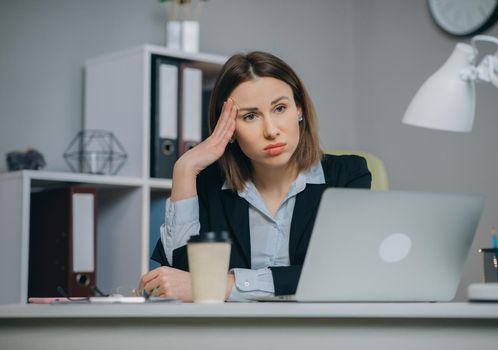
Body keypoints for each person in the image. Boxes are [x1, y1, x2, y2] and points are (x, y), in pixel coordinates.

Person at [139, 51, 371, 302]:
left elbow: (342, 274)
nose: (271, 131)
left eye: (280, 108)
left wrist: (227, 286)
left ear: (299, 110)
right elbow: (181, 280)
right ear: (229, 128)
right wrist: (184, 169)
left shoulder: (348, 176)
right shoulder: (208, 183)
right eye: (250, 116)